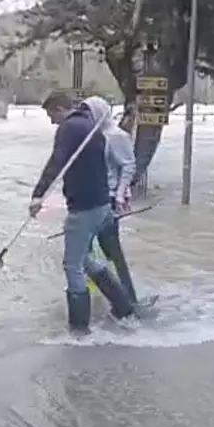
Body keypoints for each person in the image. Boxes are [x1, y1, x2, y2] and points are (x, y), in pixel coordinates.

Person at [30, 92, 137, 334]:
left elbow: (57, 162)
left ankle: (79, 330)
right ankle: (124, 308)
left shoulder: (70, 128)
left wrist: (38, 195)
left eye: (51, 115)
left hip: (84, 208)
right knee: (86, 260)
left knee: (72, 265)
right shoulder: (92, 128)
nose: (52, 121)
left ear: (60, 109)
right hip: (102, 204)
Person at [80, 96, 142, 307]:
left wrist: (121, 193)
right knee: (85, 252)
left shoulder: (116, 136)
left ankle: (129, 298)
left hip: (108, 199)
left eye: (89, 113)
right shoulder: (89, 135)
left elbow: (128, 165)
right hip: (88, 199)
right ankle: (94, 294)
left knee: (112, 251)